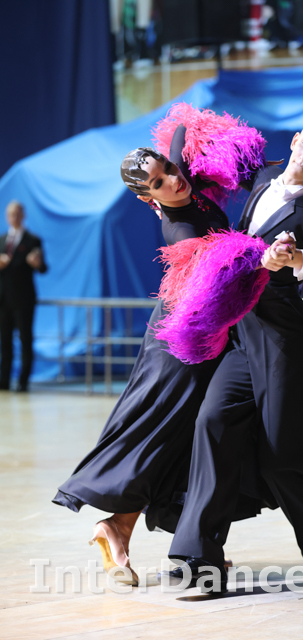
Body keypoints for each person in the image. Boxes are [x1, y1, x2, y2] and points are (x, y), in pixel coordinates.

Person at [53, 124, 266, 586]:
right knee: (165, 430)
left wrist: (196, 146)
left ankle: (130, 530)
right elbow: (226, 274)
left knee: (186, 435)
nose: (173, 178)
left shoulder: (178, 177)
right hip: (181, 341)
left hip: (204, 334)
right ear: (146, 198)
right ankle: (136, 529)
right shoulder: (182, 231)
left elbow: (182, 131)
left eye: (168, 168)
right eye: (158, 182)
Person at [163, 113, 303, 592]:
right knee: (212, 423)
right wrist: (164, 190)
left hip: (284, 341)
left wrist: (298, 258)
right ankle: (199, 558)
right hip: (242, 334)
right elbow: (194, 155)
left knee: (282, 455)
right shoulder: (262, 177)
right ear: (295, 140)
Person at [0, 201, 48, 392]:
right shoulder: (2, 240)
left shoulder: (32, 240)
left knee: (25, 340)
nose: (15, 217)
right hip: (3, 300)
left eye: (18, 214)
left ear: (23, 215)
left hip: (23, 299)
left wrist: (37, 263)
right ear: (7, 217)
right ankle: (4, 380)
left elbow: (43, 268)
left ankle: (23, 381)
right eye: (12, 214)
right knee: (5, 342)